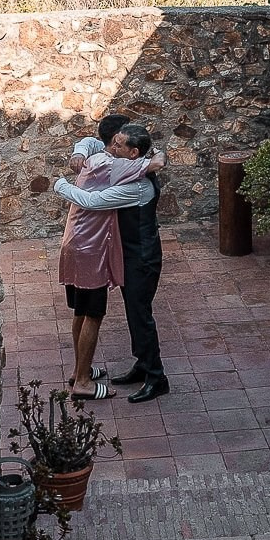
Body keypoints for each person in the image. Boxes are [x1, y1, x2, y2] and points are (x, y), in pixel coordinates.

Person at [55, 122, 169, 403]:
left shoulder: (135, 187)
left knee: (140, 314)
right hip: (127, 254)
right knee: (133, 313)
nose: (110, 148)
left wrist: (60, 185)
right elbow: (92, 143)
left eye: (118, 145)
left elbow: (93, 201)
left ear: (133, 154)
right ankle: (142, 366)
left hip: (142, 257)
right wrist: (80, 151)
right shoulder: (128, 165)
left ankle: (157, 377)